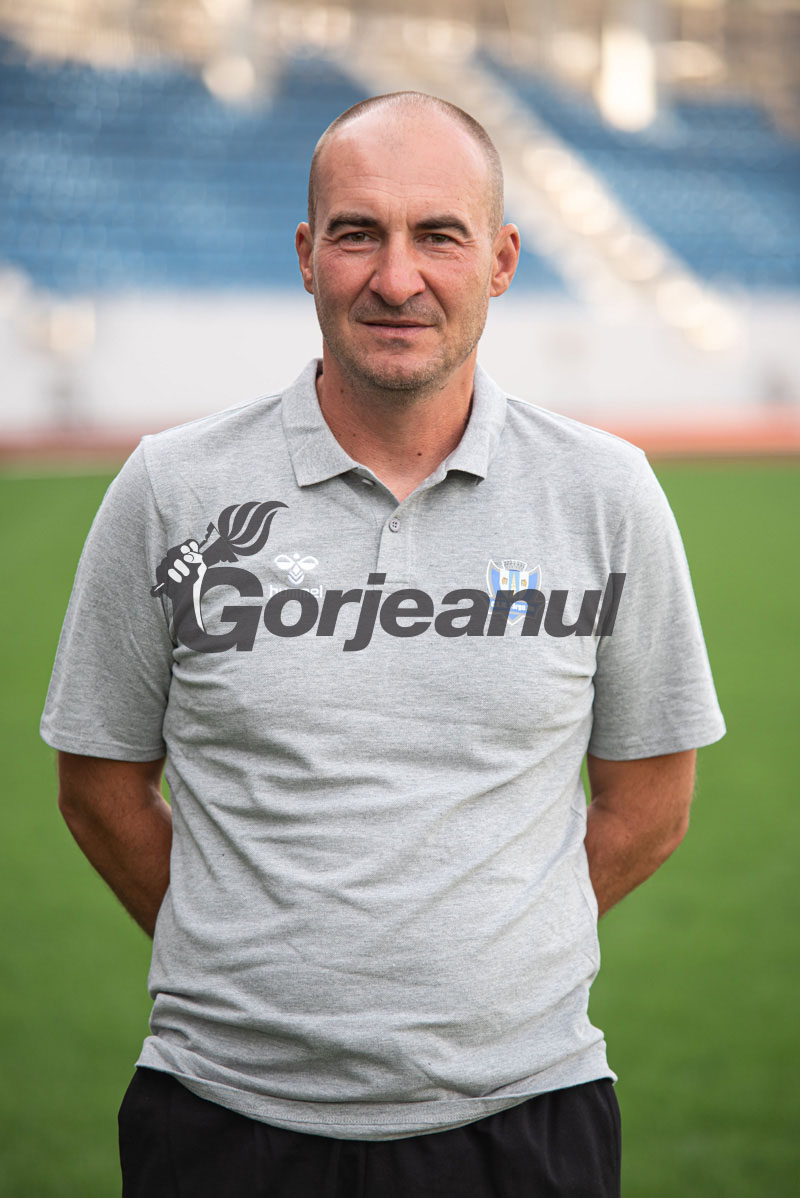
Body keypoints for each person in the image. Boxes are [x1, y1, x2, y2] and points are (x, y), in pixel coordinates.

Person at [42, 91, 725, 1198]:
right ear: (306, 256)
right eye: (357, 233)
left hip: (523, 1117)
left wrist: (493, 950)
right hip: (221, 1118)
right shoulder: (172, 490)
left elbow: (651, 802)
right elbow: (98, 785)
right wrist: (255, 955)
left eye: (438, 235)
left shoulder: (605, 494)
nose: (395, 278)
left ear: (500, 260)